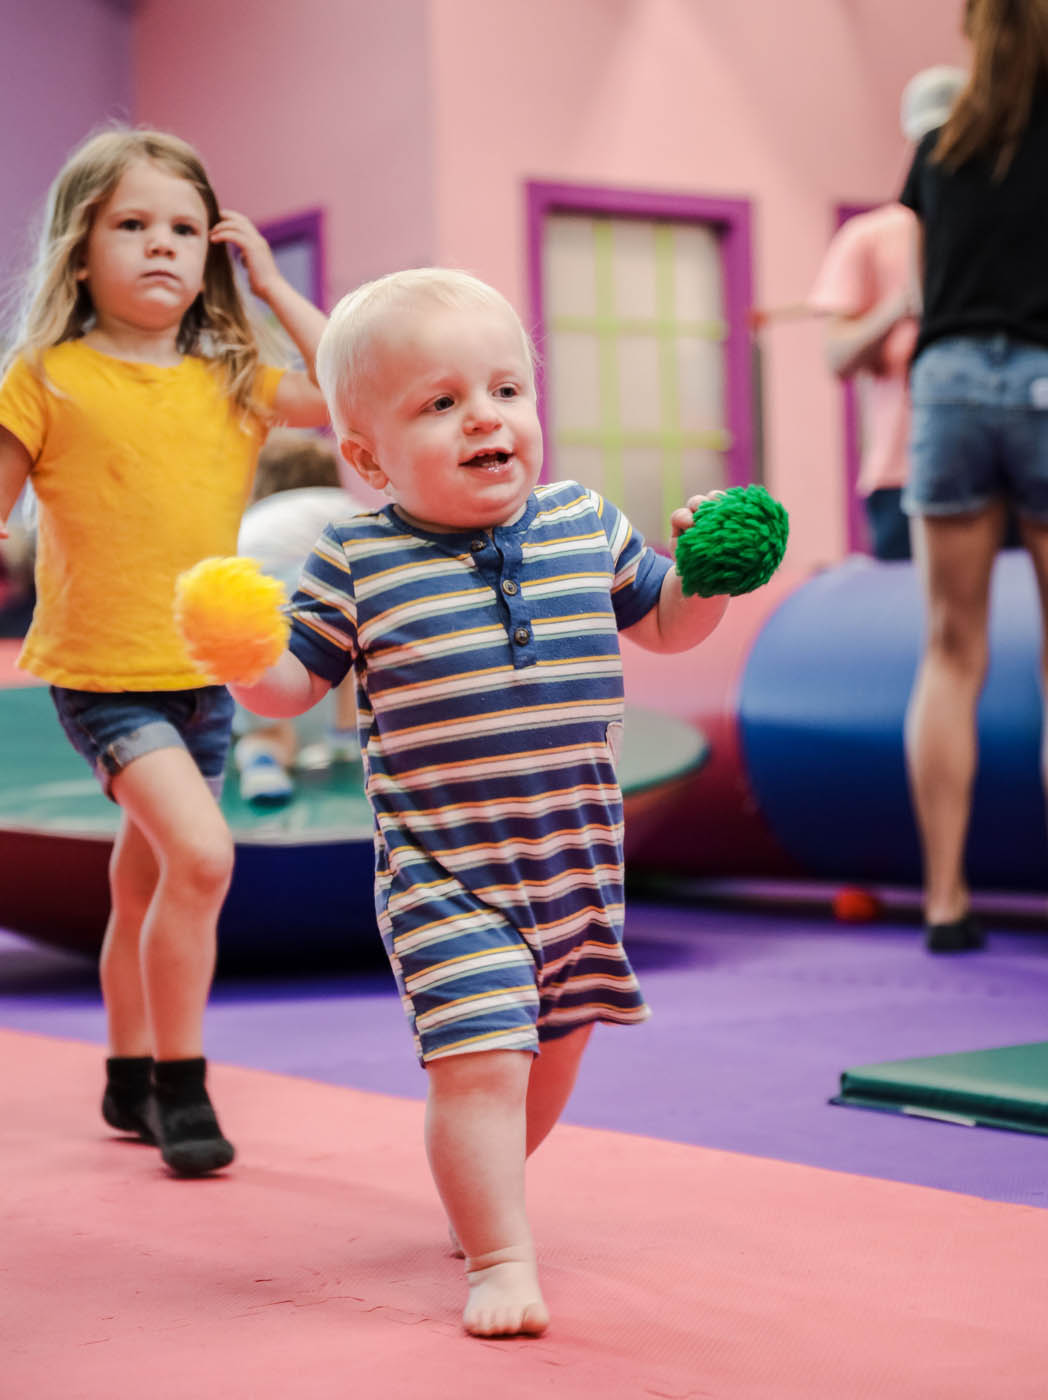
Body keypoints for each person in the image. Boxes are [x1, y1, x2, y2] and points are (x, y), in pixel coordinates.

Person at [231, 268, 731, 1337]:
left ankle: (482, 1196)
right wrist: (239, 654)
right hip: (444, 872)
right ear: (365, 457)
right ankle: (499, 1252)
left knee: (555, 1050)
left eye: (506, 389)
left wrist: (708, 571)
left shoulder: (584, 523)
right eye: (441, 402)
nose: (486, 419)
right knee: (482, 1062)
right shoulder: (357, 559)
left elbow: (669, 624)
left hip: (577, 866)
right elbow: (290, 684)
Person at [0, 127, 330, 1172]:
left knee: (143, 888)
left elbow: (354, 395)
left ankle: (123, 1065)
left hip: (208, 675)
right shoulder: (43, 378)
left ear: (212, 254)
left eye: (186, 229)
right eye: (132, 225)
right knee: (201, 854)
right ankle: (180, 1087)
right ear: (80, 248)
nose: (161, 247)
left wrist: (274, 289)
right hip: (103, 676)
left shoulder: (232, 379)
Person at [899, 0, 1048, 955]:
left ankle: (946, 901)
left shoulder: (944, 138)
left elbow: (921, 288)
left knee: (952, 651)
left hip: (950, 383)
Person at [808, 66, 965, 560]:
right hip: (903, 473)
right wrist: (900, 307)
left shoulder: (1002, 238)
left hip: (993, 469)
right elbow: (837, 357)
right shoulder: (870, 238)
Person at [232, 430, 366, 806]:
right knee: (351, 646)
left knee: (264, 706)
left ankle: (264, 756)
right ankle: (345, 734)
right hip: (331, 594)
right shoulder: (345, 505)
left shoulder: (257, 518)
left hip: (258, 595)